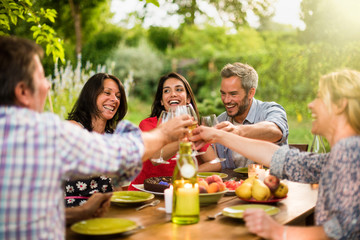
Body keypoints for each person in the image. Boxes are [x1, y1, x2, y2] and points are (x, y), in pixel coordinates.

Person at [0, 36, 192, 239]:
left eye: (118, 95)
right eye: (41, 78)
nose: (48, 86)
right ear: (22, 91)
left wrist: (80, 212)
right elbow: (120, 153)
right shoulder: (43, 132)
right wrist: (164, 133)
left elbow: (30, 215)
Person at [191, 69, 360, 239]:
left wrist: (278, 231)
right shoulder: (341, 155)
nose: (311, 104)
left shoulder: (350, 151)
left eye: (320, 97)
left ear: (340, 105)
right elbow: (281, 158)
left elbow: (342, 231)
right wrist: (220, 135)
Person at [128, 72, 218, 190]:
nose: (173, 94)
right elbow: (155, 158)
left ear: (188, 99)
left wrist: (186, 173)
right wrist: (185, 139)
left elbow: (215, 163)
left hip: (177, 190)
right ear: (161, 101)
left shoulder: (192, 126)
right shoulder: (148, 124)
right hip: (145, 193)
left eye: (179, 89)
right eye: (166, 91)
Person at [207, 62, 288, 172]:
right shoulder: (220, 121)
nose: (226, 100)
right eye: (223, 93)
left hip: (270, 186)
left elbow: (275, 131)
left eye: (233, 94)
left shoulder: (270, 110)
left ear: (251, 93)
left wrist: (237, 131)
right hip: (232, 188)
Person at [64, 73, 127, 207]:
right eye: (107, 93)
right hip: (74, 209)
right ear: (91, 95)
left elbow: (116, 186)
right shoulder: (73, 128)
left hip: (106, 209)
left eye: (118, 96)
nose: (114, 99)